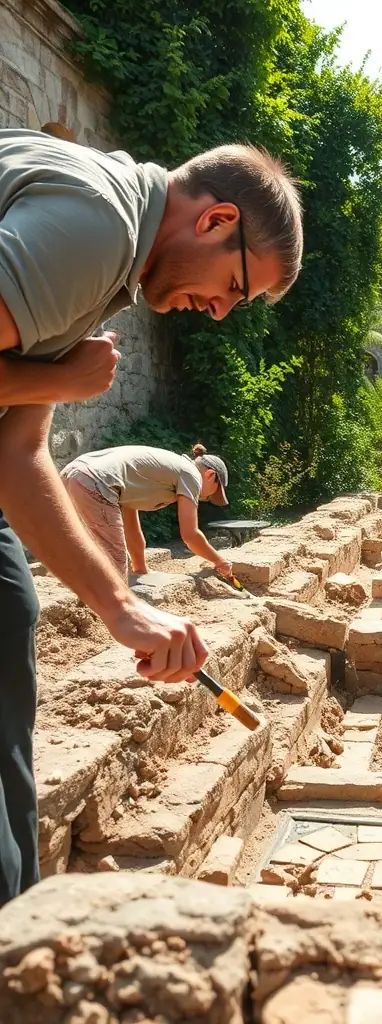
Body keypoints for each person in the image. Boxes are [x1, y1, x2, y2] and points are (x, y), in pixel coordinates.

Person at [0, 127, 302, 905]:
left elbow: (16, 456)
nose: (223, 314)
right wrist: (64, 377)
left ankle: (18, 926)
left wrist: (122, 606)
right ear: (215, 221)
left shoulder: (113, 256)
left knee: (10, 608)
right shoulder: (98, 226)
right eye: (238, 289)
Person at [62, 443, 233, 580]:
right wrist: (219, 560)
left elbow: (131, 527)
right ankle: (111, 617)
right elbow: (190, 535)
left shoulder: (163, 469)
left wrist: (140, 568)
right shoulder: (192, 475)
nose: (207, 498)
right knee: (114, 565)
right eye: (213, 493)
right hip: (94, 481)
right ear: (210, 475)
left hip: (72, 474)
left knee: (80, 550)